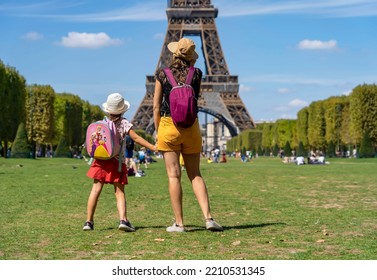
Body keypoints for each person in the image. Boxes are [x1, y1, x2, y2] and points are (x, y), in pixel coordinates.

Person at [153, 37, 223, 232]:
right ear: (191, 56)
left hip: (168, 125)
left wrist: (159, 132)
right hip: (191, 127)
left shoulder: (162, 74)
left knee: (174, 176)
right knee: (196, 175)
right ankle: (208, 218)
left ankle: (180, 223)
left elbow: (157, 106)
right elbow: (193, 100)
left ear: (174, 53)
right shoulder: (197, 73)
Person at [83, 93, 157, 232]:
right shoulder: (124, 124)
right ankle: (123, 220)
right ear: (123, 110)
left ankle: (88, 222)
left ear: (108, 109)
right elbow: (136, 138)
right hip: (116, 162)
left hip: (100, 161)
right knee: (119, 192)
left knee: (95, 190)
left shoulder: (102, 123)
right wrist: (153, 147)